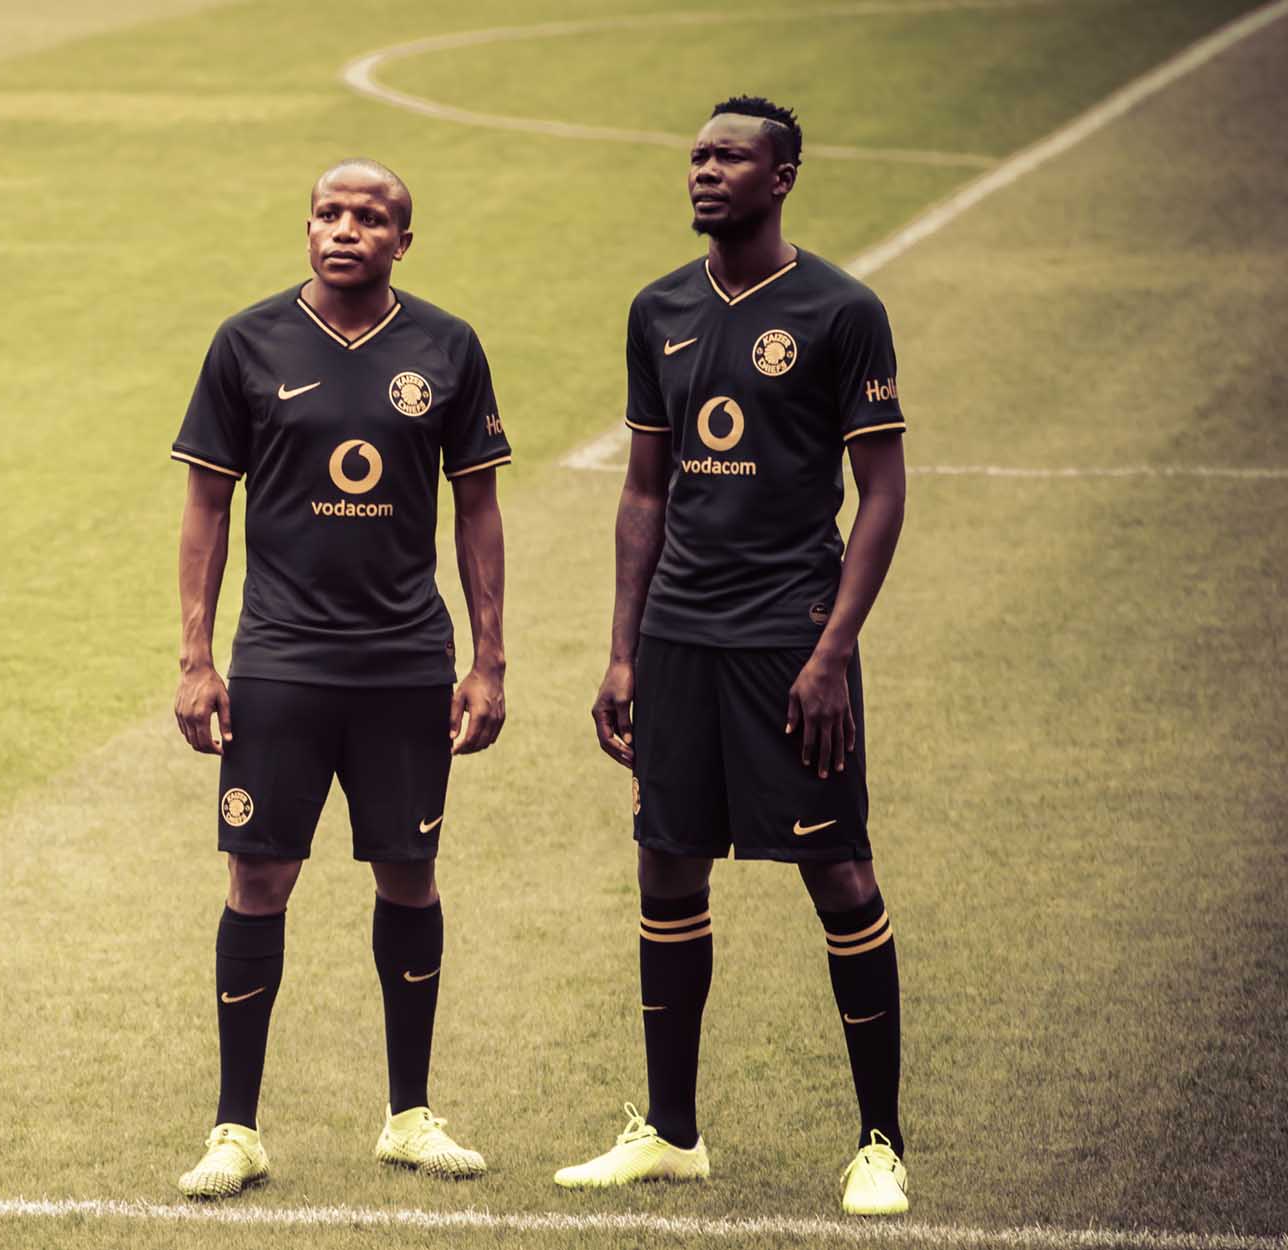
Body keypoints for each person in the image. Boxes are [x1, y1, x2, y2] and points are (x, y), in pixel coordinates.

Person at [555, 97, 911, 1217]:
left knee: (837, 870)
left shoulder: (842, 310)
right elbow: (644, 491)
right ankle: (671, 1133)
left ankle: (880, 1145)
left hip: (787, 643)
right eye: (698, 156)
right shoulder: (658, 307)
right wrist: (623, 653)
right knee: (667, 864)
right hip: (678, 641)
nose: (706, 172)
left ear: (783, 176)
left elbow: (883, 491)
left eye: (730, 157)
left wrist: (831, 650)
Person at [168, 158, 512, 1200]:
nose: (346, 229)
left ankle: (409, 1116)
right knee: (258, 879)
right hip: (281, 660)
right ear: (307, 228)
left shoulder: (447, 347)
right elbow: (206, 506)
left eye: (370, 216)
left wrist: (489, 659)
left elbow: (478, 507)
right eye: (328, 213)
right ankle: (235, 1130)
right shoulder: (247, 342)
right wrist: (196, 657)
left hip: (406, 661)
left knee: (408, 874)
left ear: (403, 240)